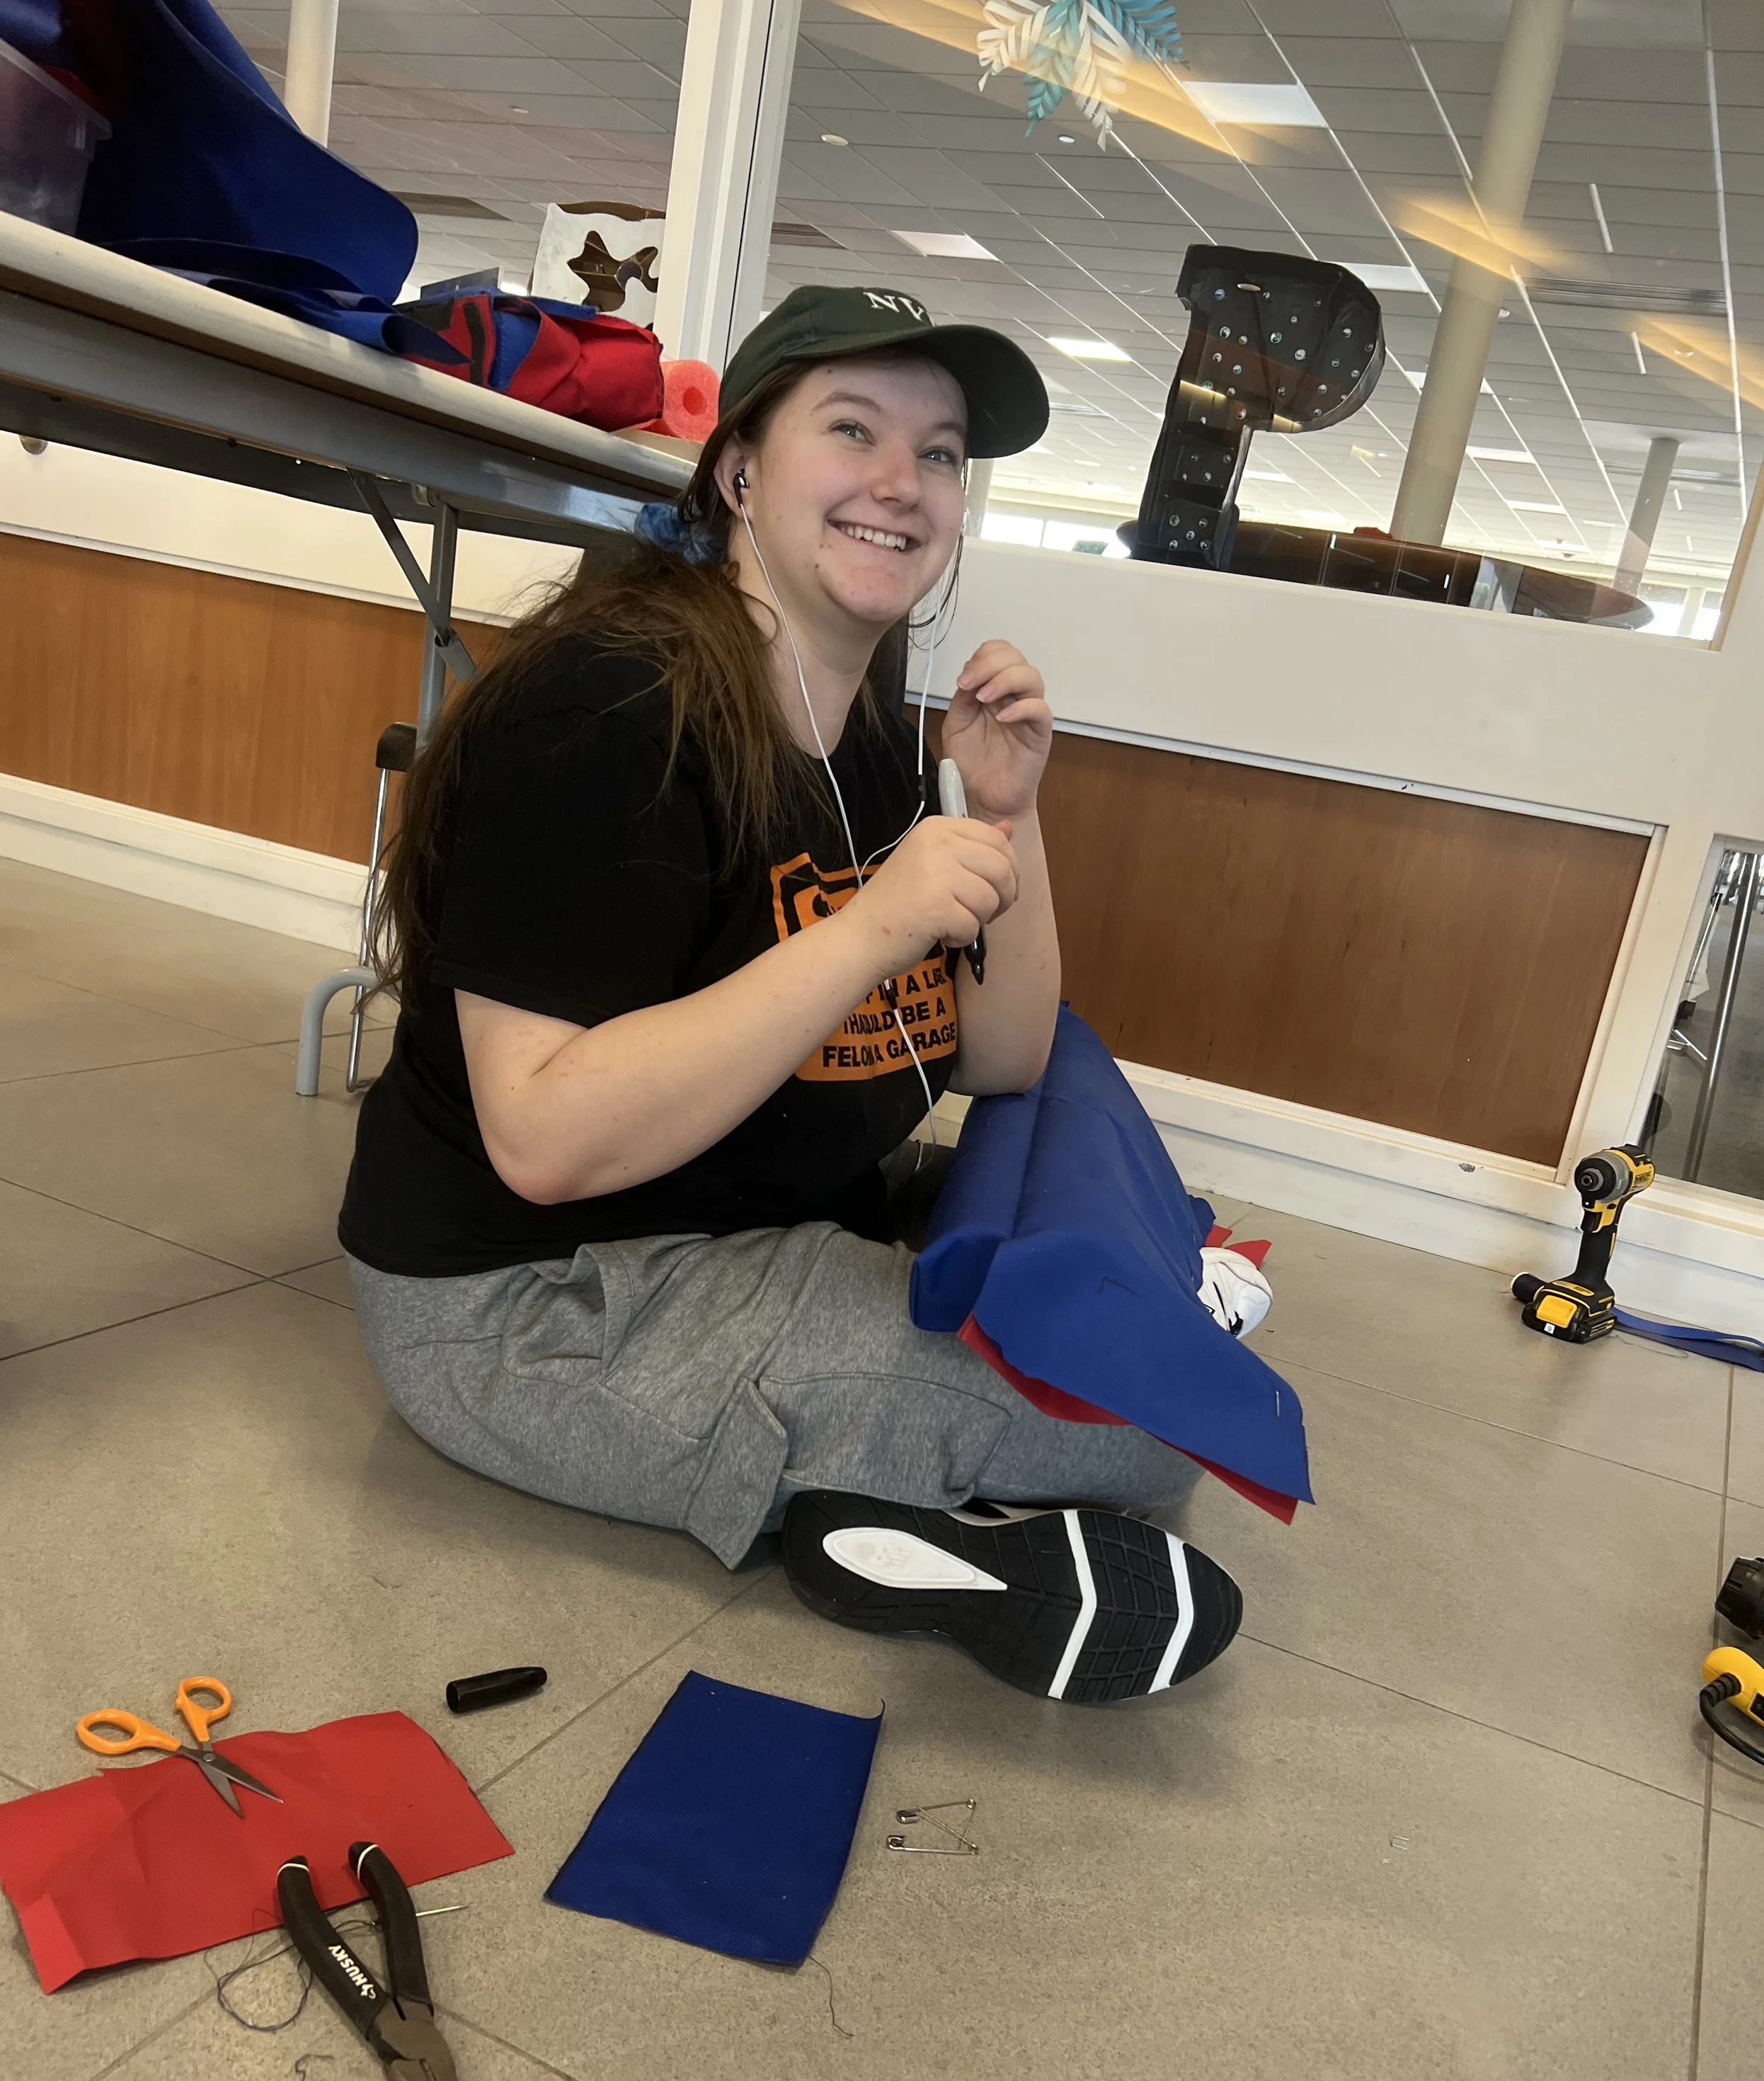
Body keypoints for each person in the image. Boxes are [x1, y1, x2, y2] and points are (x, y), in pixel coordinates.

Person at [338, 285, 1241, 1705]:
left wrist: (1010, 812)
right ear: (739, 469)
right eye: (853, 430)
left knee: (1143, 1317)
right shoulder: (607, 711)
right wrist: (874, 926)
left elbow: (1004, 1057)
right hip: (532, 1308)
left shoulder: (867, 731)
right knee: (1149, 1426)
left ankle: (861, 1498)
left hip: (749, 1222)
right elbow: (543, 1139)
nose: (903, 482)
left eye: (938, 453)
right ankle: (880, 1505)